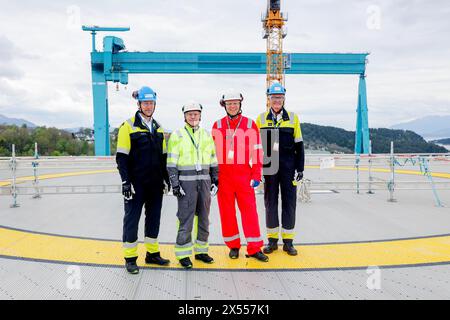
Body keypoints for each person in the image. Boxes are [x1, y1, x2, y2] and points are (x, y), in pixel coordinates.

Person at [116, 86, 171, 275]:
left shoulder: (158, 128)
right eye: (145, 103)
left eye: (151, 103)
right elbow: (121, 157)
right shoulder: (128, 126)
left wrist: (166, 179)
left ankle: (152, 254)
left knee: (154, 219)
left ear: (155, 104)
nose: (148, 106)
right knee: (132, 220)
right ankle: (130, 258)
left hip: (155, 184)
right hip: (135, 184)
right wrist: (125, 182)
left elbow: (163, 157)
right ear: (139, 104)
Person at [212, 90, 268, 262]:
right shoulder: (217, 125)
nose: (232, 106)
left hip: (244, 176)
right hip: (224, 177)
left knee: (250, 212)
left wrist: (256, 174)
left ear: (240, 104)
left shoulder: (250, 125)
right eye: (229, 103)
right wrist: (213, 178)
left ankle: (254, 248)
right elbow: (211, 154)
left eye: (235, 103)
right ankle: (233, 246)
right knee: (227, 213)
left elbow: (257, 152)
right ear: (224, 106)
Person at [167, 102, 219, 269]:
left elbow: (213, 158)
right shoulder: (177, 135)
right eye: (190, 114)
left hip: (204, 182)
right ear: (185, 116)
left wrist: (215, 179)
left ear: (200, 115)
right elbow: (171, 162)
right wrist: (175, 183)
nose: (193, 116)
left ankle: (201, 251)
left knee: (204, 218)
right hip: (186, 184)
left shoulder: (206, 135)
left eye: (196, 113)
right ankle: (183, 254)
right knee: (186, 219)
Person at [256, 82, 305, 256]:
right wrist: (256, 169)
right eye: (274, 97)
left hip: (288, 167)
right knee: (270, 203)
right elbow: (256, 147)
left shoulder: (293, 118)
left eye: (280, 97)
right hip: (269, 166)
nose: (277, 100)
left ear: (284, 98)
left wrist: (300, 169)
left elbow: (299, 144)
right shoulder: (261, 119)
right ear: (268, 99)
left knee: (289, 203)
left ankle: (288, 242)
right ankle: (272, 241)